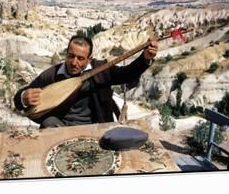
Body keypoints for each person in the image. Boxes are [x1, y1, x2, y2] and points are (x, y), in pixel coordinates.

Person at [14, 34, 158, 128]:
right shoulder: (52, 75)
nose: (74, 62)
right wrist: (23, 98)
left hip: (96, 125)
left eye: (80, 58)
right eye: (71, 56)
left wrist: (145, 59)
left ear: (89, 59)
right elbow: (21, 97)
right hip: (61, 126)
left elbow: (126, 74)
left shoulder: (102, 70)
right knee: (48, 124)